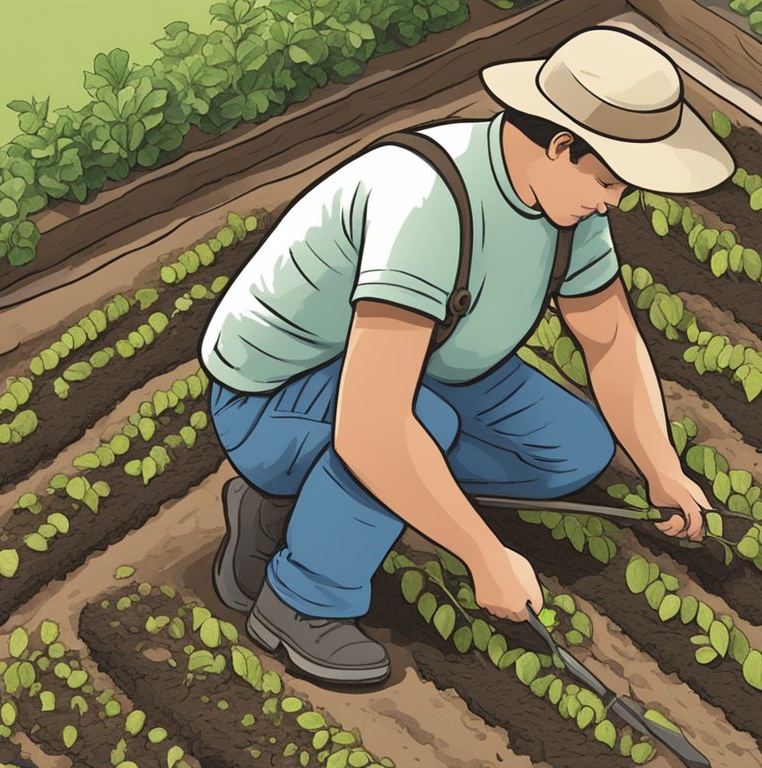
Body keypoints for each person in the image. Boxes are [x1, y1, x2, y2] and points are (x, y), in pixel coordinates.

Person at [198, 27, 735, 687]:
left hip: (437, 361)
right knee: (413, 431)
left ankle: (316, 504)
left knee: (572, 451)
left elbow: (609, 336)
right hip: (273, 398)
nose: (614, 201)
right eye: (609, 180)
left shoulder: (573, 206)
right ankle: (299, 601)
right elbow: (372, 423)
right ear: (562, 146)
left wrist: (662, 468)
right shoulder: (426, 200)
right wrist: (483, 555)